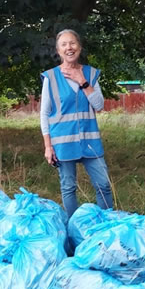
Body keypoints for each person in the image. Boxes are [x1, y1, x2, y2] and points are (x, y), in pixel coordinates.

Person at [39, 29, 113, 218]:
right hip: (63, 143)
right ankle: (74, 229)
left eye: (72, 43)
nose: (69, 47)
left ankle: (106, 225)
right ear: (58, 50)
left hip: (90, 141)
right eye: (64, 44)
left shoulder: (91, 74)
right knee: (68, 187)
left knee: (103, 185)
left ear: (79, 47)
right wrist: (48, 146)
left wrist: (83, 81)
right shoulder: (51, 77)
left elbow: (99, 105)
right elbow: (44, 113)